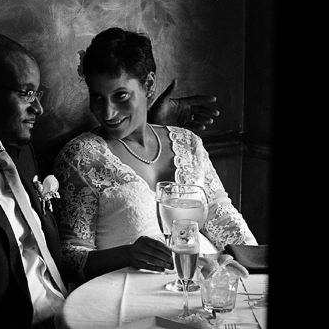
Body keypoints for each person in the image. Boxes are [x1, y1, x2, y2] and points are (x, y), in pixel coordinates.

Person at [0, 32, 223, 329]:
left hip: (76, 310)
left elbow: (58, 258)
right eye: (25, 94)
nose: (39, 108)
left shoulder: (19, 154)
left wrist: (152, 123)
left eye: (38, 94)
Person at [52, 27, 257, 285]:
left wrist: (256, 266)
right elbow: (68, 260)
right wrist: (128, 255)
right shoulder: (81, 157)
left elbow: (222, 216)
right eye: (97, 97)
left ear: (148, 84)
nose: (107, 112)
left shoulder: (187, 143)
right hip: (129, 296)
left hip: (206, 285)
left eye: (120, 95)